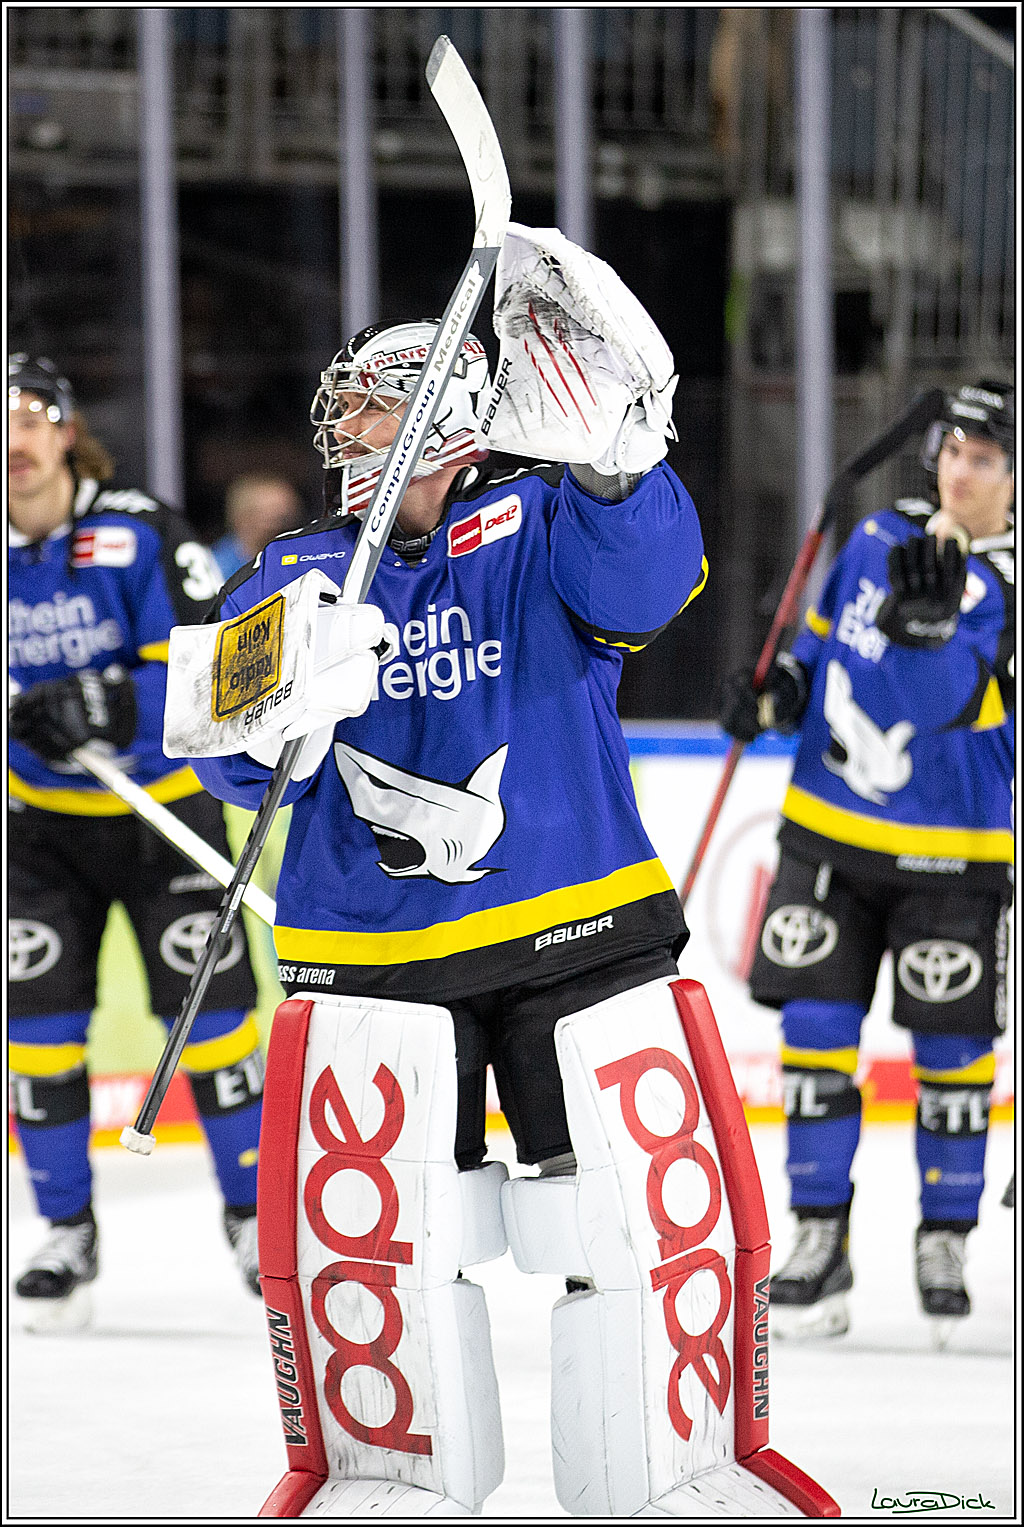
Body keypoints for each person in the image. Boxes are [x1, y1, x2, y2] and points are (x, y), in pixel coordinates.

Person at [186, 229, 736, 1511]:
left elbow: (652, 586)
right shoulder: (286, 570)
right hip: (373, 969)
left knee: (630, 1234)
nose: (346, 417)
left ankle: (671, 1468)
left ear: (445, 416)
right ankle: (392, 1478)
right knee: (382, 1257)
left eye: (374, 395)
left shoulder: (545, 519)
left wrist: (618, 460)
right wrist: (269, 716)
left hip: (575, 940)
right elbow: (219, 757)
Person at [719, 378, 1015, 1341]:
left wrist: (928, 638)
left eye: (982, 458)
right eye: (952, 450)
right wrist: (773, 695)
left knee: (952, 1055)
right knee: (811, 1038)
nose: (956, 469)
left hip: (955, 855)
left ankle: (944, 1237)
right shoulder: (880, 539)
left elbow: (943, 700)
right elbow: (817, 656)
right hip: (827, 837)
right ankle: (818, 1239)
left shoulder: (1010, 586)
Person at [8, 354, 266, 1327]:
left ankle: (249, 1216)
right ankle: (66, 1230)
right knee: (34, 1037)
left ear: (66, 431)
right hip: (38, 836)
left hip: (164, 821)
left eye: (29, 415)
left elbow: (217, 667)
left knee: (217, 1028)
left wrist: (110, 699)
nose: (12, 440)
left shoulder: (139, 532)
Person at [210, 471, 303, 581]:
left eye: (289, 516)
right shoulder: (214, 568)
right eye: (273, 518)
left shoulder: (303, 562)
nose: (284, 527)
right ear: (242, 518)